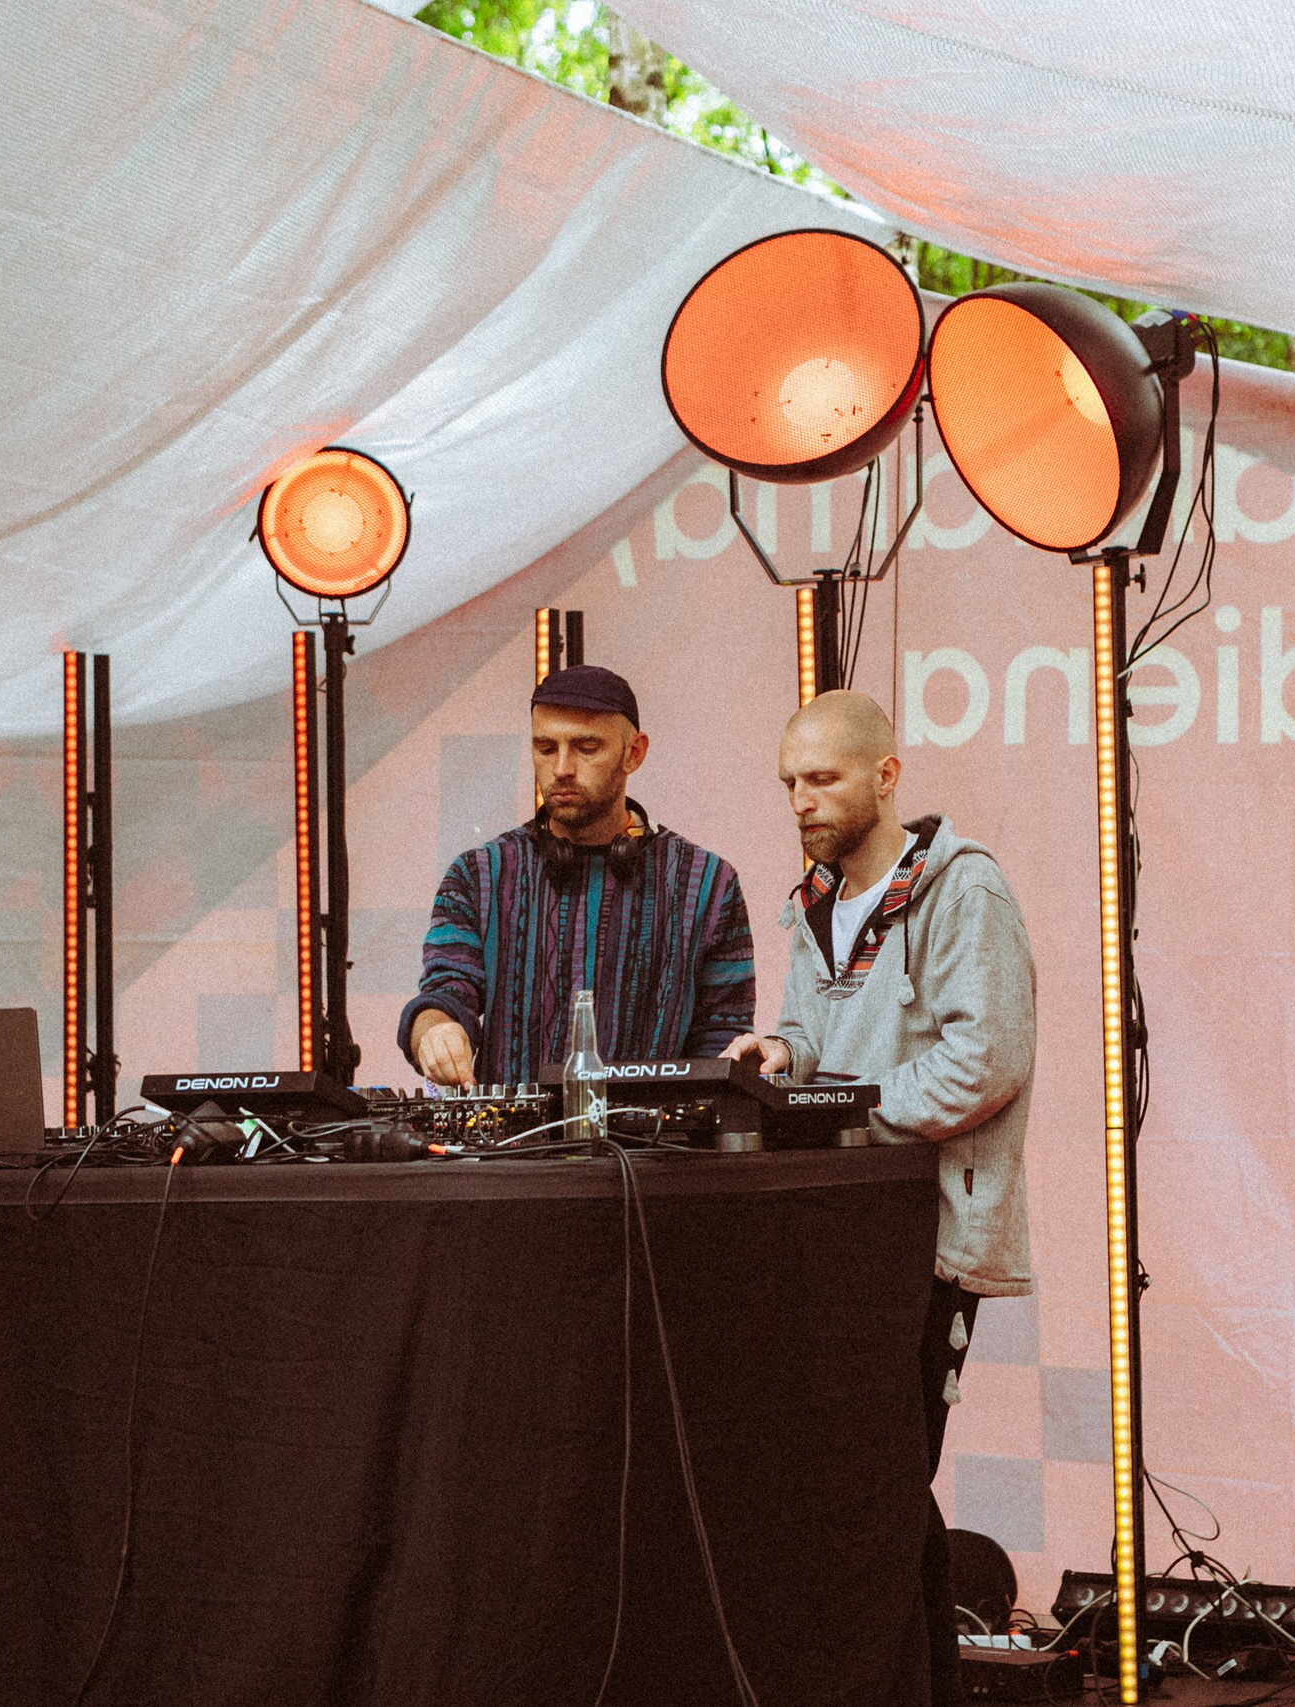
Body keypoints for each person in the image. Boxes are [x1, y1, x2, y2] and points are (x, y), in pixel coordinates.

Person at [723, 688, 1034, 1707]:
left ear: (885, 776)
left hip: (925, 1229)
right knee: (852, 1486)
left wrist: (848, 1114)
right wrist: (782, 1056)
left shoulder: (963, 889)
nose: (802, 801)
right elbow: (812, 1040)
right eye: (789, 783)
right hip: (842, 1230)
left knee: (884, 1484)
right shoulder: (811, 899)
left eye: (823, 778)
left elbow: (984, 1060)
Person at [400, 664, 756, 1086]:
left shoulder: (708, 884)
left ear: (634, 753)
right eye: (546, 748)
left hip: (657, 1149)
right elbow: (445, 992)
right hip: (514, 1150)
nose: (562, 768)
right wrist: (434, 1030)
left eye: (586, 747)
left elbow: (724, 1039)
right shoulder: (478, 876)